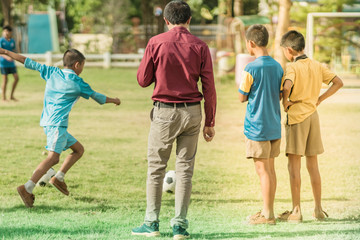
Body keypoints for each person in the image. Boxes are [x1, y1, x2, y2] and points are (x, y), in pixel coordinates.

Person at [132, 1, 216, 239]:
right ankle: (179, 225)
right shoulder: (201, 46)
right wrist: (210, 121)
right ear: (189, 20)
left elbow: (142, 79)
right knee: (185, 170)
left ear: (166, 20)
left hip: (165, 112)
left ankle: (151, 223)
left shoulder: (156, 42)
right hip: (192, 112)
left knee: (156, 168)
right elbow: (209, 86)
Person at [0, 47, 120, 208]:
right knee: (53, 158)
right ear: (77, 65)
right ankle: (27, 187)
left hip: (49, 123)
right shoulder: (78, 82)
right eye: (83, 65)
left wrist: (6, 52)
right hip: (57, 125)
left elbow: (26, 61)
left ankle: (59, 177)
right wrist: (115, 100)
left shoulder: (52, 72)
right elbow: (98, 97)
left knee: (78, 150)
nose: (83, 69)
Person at [278, 30, 343, 222]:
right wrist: (320, 99)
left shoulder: (292, 67)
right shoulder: (317, 65)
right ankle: (318, 209)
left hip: (297, 118)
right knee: (313, 165)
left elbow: (287, 86)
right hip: (313, 116)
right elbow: (338, 82)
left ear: (289, 50)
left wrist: (285, 101)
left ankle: (296, 211)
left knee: (294, 167)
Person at [238, 25, 283, 225]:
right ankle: (268, 210)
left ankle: (267, 215)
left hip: (257, 127)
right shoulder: (278, 66)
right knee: (270, 170)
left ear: (251, 43)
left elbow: (241, 96)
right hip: (274, 126)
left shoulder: (251, 68)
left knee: (262, 171)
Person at [0, 26, 19, 101]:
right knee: (5, 80)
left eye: (7, 31)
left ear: (10, 32)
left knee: (16, 78)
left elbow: (13, 51)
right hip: (3, 63)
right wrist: (7, 57)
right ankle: (3, 97)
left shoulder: (12, 41)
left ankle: (11, 96)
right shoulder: (1, 40)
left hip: (11, 63)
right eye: (4, 31)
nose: (5, 33)